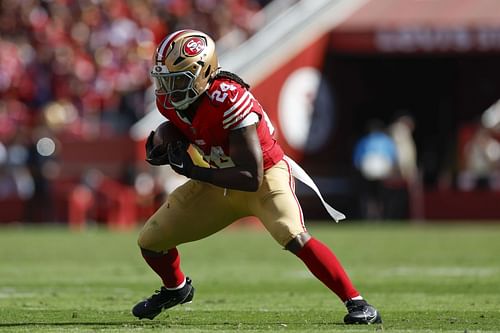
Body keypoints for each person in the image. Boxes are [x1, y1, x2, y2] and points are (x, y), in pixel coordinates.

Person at [132, 29, 381, 325]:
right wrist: (163, 146)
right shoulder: (170, 102)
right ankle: (176, 289)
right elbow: (183, 130)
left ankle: (357, 302)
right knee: (151, 239)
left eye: (178, 80)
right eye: (165, 79)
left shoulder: (228, 99)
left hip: (262, 178)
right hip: (216, 178)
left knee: (292, 234)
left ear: (205, 72)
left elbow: (251, 176)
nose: (169, 89)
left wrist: (194, 170)